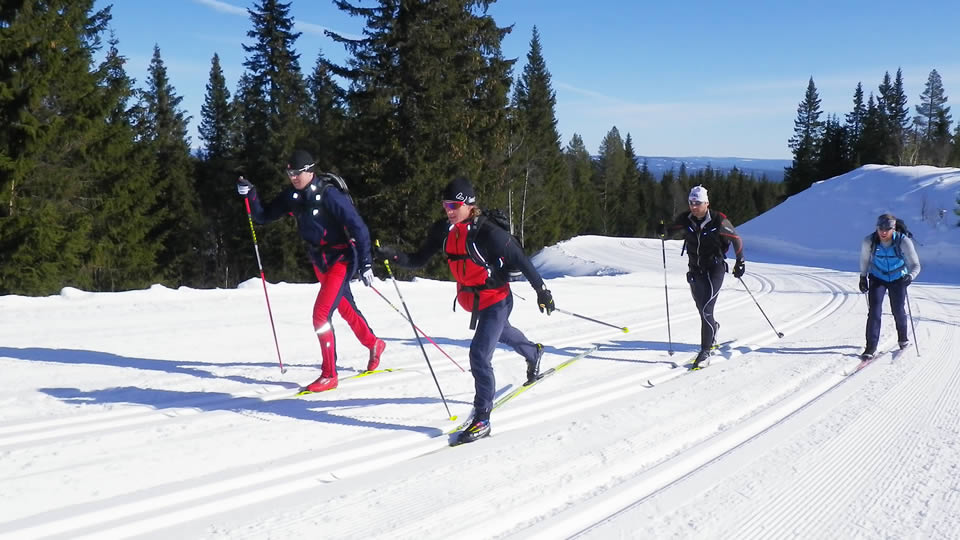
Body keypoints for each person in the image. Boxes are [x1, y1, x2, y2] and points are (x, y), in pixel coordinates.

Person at [375, 177, 554, 445]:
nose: (448, 210)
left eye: (454, 205)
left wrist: (542, 291)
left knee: (479, 355)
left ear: (470, 205)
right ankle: (534, 352)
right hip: (475, 301)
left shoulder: (488, 233)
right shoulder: (443, 230)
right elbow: (418, 259)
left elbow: (521, 259)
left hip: (497, 300)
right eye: (445, 204)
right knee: (502, 333)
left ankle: (482, 418)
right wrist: (393, 255)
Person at [237, 150, 386, 392]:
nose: (293, 177)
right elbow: (263, 216)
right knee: (345, 308)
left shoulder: (330, 196)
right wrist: (251, 194)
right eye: (290, 173)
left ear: (310, 170)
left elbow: (359, 228)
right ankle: (375, 343)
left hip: (341, 259)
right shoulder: (293, 196)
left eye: (297, 173)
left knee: (321, 315)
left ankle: (329, 375)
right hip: (319, 261)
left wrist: (367, 263)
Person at [656, 185, 744, 368]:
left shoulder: (718, 220)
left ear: (706, 203)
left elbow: (736, 239)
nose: (694, 206)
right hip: (695, 270)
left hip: (715, 269)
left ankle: (705, 351)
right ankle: (714, 328)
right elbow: (670, 232)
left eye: (698, 203)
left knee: (706, 310)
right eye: (691, 202)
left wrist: (740, 261)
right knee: (702, 310)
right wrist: (662, 231)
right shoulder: (686, 219)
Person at [857, 213, 921, 359]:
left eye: (887, 229)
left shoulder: (903, 241)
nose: (883, 232)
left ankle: (903, 339)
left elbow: (916, 265)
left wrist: (910, 277)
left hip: (898, 278)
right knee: (874, 312)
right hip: (877, 277)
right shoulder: (870, 241)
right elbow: (864, 259)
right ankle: (870, 347)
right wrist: (862, 277)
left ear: (893, 229)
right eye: (881, 229)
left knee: (898, 310)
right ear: (877, 228)